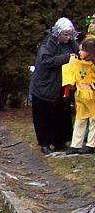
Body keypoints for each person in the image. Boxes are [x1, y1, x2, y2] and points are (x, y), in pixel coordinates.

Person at [29, 17, 79, 155]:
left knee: (62, 114)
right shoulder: (48, 43)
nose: (68, 37)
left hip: (62, 86)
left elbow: (78, 54)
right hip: (45, 86)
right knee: (43, 116)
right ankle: (45, 143)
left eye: (70, 34)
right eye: (65, 34)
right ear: (58, 33)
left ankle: (60, 142)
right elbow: (45, 61)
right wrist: (66, 58)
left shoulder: (71, 43)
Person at [62, 37, 95, 155]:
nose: (79, 52)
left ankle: (91, 144)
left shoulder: (92, 65)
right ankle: (76, 144)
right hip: (80, 96)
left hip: (92, 97)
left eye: (82, 50)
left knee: (93, 120)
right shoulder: (78, 63)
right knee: (80, 119)